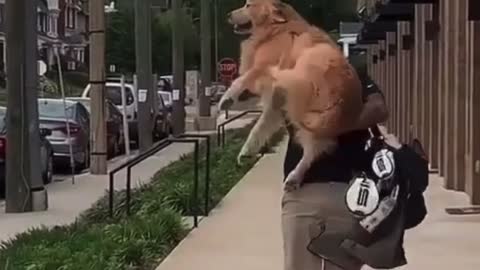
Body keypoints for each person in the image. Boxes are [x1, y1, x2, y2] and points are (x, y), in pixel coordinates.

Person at [281, 61, 389, 270]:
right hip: (338, 192)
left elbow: (378, 108)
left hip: (323, 193)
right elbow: (377, 107)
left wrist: (331, 125)